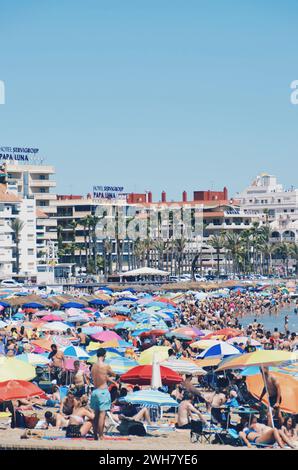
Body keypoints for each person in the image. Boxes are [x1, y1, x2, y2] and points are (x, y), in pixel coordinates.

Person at [90, 348, 116, 440]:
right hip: (103, 391)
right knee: (102, 415)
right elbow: (113, 374)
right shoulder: (105, 366)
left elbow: (99, 376)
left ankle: (95, 435)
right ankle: (101, 435)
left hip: (95, 391)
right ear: (104, 355)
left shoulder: (93, 366)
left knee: (95, 415)